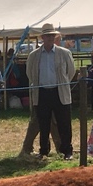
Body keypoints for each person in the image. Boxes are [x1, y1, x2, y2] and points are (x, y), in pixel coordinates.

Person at [27, 23, 77, 160]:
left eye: (52, 36)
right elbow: (30, 73)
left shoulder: (64, 53)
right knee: (43, 123)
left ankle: (67, 151)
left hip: (59, 92)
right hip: (42, 92)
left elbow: (71, 72)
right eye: (47, 36)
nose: (49, 38)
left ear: (55, 37)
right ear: (42, 37)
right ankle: (44, 151)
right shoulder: (34, 55)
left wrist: (62, 84)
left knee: (64, 123)